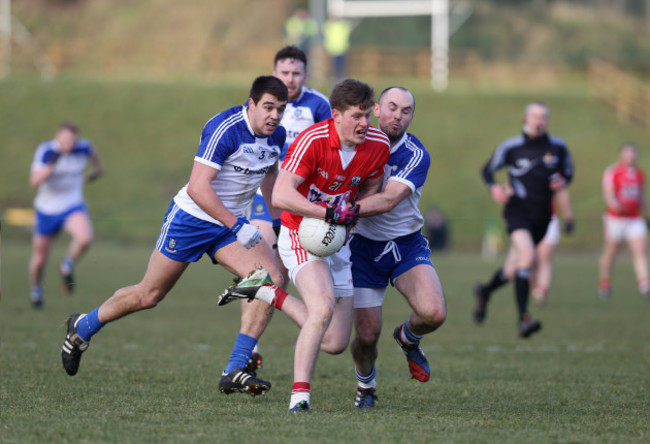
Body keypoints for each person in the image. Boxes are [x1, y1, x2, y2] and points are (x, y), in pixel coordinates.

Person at [60, 76, 289, 399]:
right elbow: (198, 187)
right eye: (268, 107)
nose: (275, 116)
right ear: (250, 104)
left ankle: (235, 368)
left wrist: (275, 220)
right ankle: (82, 327)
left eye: (280, 109)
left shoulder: (276, 136)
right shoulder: (225, 128)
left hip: (229, 225)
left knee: (272, 279)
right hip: (192, 219)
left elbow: (270, 173)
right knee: (149, 295)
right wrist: (238, 226)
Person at [219, 79, 390, 413]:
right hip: (301, 233)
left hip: (340, 240)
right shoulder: (313, 140)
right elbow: (282, 196)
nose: (365, 123)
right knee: (322, 306)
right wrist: (328, 212)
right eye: (357, 116)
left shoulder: (377, 144)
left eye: (368, 115)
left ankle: (271, 294)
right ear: (336, 115)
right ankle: (299, 399)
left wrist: (354, 210)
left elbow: (372, 184)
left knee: (335, 342)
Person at [348, 87, 447, 408]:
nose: (397, 115)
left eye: (406, 111)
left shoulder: (415, 154)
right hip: (361, 249)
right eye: (391, 107)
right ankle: (366, 386)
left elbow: (388, 200)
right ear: (376, 109)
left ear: (411, 117)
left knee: (433, 313)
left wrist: (340, 213)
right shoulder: (354, 143)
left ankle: (408, 337)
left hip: (405, 244)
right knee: (366, 336)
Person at [243, 45, 331, 370]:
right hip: (264, 197)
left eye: (295, 73)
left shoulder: (319, 105)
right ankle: (248, 349)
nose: (290, 79)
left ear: (305, 76)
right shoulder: (263, 104)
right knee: (265, 271)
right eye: (284, 73)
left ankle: (310, 318)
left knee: (275, 278)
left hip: (303, 202)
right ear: (275, 72)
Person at [473, 102, 574, 338]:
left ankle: (485, 292)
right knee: (528, 258)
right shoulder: (511, 147)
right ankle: (524, 320)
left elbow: (568, 172)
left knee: (511, 271)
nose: (538, 121)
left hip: (543, 218)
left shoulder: (558, 147)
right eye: (534, 117)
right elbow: (487, 170)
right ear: (525, 119)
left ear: (547, 121)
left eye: (543, 117)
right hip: (517, 212)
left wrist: (563, 182)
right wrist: (494, 188)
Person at [29, 121, 103, 308]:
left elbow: (93, 153)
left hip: (72, 206)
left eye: (72, 139)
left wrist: (96, 170)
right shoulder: (47, 152)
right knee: (39, 260)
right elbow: (35, 181)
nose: (68, 143)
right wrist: (50, 166)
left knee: (85, 238)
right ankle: (36, 289)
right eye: (65, 139)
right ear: (57, 137)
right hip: (46, 210)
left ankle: (66, 265)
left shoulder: (83, 148)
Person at [598, 143, 649, 298]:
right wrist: (615, 205)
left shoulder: (640, 174)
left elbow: (641, 197)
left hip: (634, 218)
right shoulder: (613, 171)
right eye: (627, 152)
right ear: (621, 154)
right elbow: (608, 193)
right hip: (616, 219)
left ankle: (644, 283)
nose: (631, 155)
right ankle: (605, 282)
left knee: (640, 250)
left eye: (633, 152)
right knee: (611, 252)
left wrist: (646, 214)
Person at [530, 187, 574, 306]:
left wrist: (568, 217)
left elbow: (561, 191)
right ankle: (532, 290)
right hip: (527, 219)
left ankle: (541, 291)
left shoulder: (552, 170)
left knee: (544, 256)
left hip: (549, 218)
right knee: (530, 259)